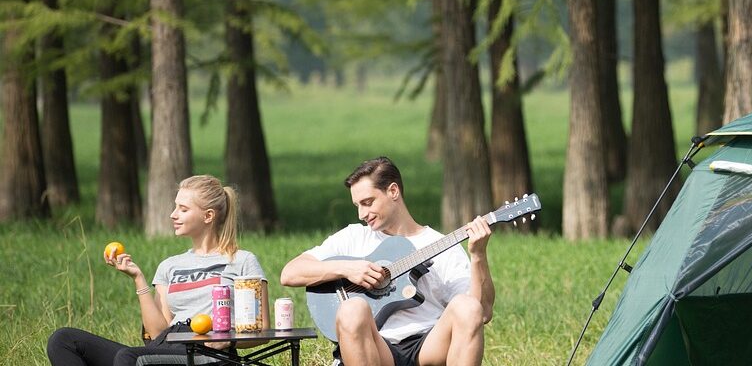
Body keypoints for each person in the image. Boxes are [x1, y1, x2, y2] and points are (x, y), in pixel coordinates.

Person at [280, 157, 493, 366]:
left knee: (467, 307)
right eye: (357, 205)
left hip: (428, 346)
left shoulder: (440, 244)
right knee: (351, 309)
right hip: (376, 345)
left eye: (367, 202)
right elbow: (290, 273)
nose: (362, 214)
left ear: (393, 191)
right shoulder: (354, 237)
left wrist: (478, 255)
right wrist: (347, 268)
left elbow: (481, 312)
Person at [47, 175, 266, 366]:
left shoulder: (242, 261)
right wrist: (138, 278)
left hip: (210, 356)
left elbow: (262, 330)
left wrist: (229, 339)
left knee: (130, 358)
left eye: (183, 209)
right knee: (63, 339)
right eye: (175, 206)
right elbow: (157, 333)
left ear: (208, 216)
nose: (173, 214)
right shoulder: (170, 265)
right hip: (168, 347)